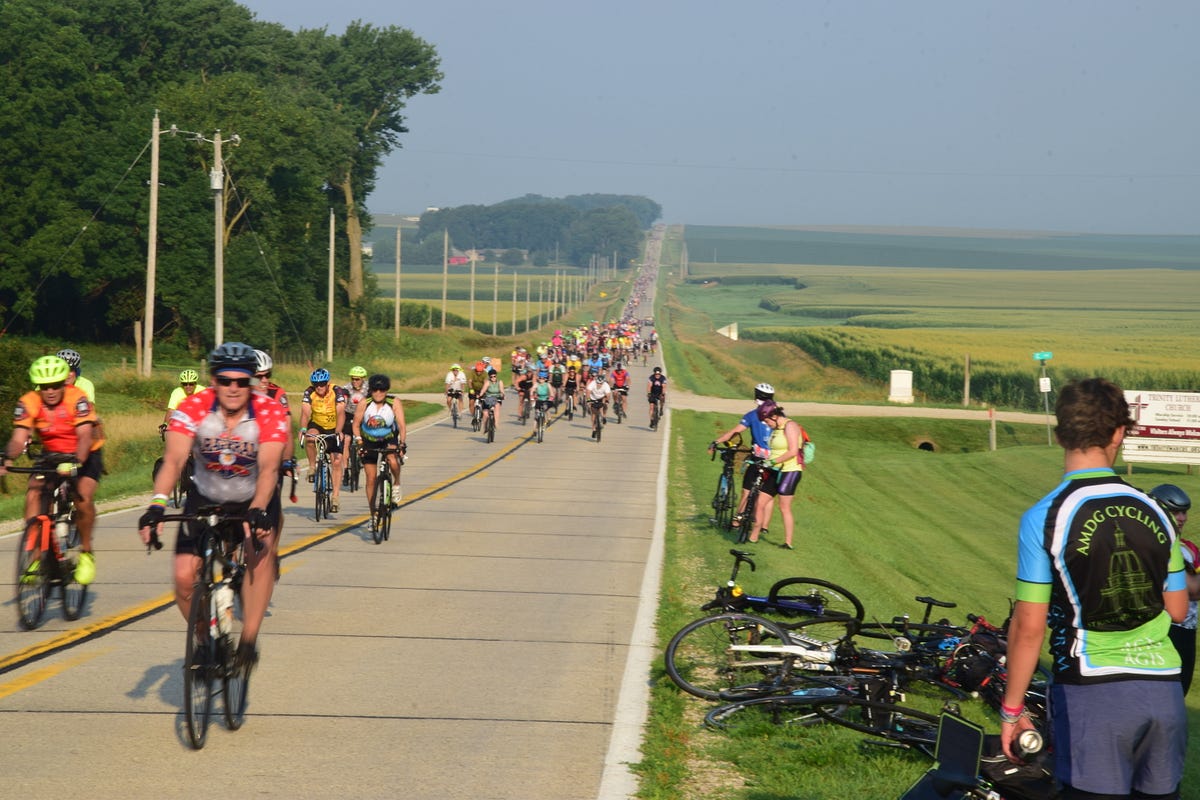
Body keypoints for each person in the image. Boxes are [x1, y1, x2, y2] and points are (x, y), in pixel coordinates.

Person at [999, 377, 1188, 800]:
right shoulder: (1156, 510)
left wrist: (1012, 711)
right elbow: (1176, 609)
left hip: (1092, 693)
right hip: (1163, 690)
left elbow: (1028, 627)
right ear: (1119, 432)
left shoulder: (1044, 517)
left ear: (1059, 432)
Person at [137, 342, 288, 667]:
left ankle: (248, 639)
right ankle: (205, 640)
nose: (233, 388)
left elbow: (269, 469)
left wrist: (259, 506)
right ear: (214, 380)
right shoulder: (193, 407)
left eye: (241, 381)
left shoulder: (269, 410)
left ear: (250, 381)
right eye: (225, 380)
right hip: (205, 496)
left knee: (259, 553)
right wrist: (157, 506)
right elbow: (174, 460)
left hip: (252, 497)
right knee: (182, 576)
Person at [1, 355, 103, 585]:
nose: (50, 391)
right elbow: (19, 438)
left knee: (83, 498)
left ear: (64, 383)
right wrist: (6, 457)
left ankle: (86, 552)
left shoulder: (77, 398)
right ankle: (35, 558)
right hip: (52, 454)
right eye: (44, 386)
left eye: (56, 385)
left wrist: (77, 461)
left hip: (85, 452)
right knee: (34, 493)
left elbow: (85, 436)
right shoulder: (28, 402)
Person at [708, 383, 776, 536]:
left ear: (756, 396)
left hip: (758, 457)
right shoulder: (779, 415)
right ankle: (764, 527)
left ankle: (736, 522)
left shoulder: (753, 415)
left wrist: (717, 441)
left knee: (747, 492)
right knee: (768, 495)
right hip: (775, 460)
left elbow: (735, 431)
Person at [1150, 484, 1198, 694]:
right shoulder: (1159, 545)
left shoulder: (1186, 547)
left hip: (1186, 632)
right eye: (1174, 512)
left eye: (1184, 511)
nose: (1182, 518)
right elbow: (1193, 590)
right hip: (1166, 633)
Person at [749, 400, 808, 549]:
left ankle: (788, 542)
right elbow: (775, 450)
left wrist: (773, 462)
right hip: (775, 469)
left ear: (774, 416)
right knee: (760, 502)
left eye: (767, 421)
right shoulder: (776, 429)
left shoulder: (790, 426)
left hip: (790, 470)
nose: (766, 424)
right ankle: (753, 536)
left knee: (784, 507)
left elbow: (793, 451)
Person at [352, 374, 406, 516]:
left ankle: (396, 484)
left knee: (392, 460)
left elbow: (401, 425)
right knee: (371, 478)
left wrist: (402, 443)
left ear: (386, 390)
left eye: (382, 390)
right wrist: (359, 441)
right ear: (370, 390)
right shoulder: (364, 403)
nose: (378, 393)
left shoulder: (394, 402)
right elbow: (356, 425)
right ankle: (373, 514)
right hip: (368, 439)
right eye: (375, 389)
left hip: (388, 437)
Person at [298, 368, 347, 513]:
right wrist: (302, 429)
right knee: (310, 438)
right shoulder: (309, 392)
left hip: (334, 426)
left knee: (336, 461)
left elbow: (341, 412)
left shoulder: (337, 391)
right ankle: (312, 467)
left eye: (322, 384)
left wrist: (338, 431)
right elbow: (306, 413)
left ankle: (335, 498)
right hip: (318, 424)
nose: (319, 387)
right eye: (316, 384)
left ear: (328, 383)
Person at [341, 366, 368, 480]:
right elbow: (342, 401)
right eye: (353, 379)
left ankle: (361, 454)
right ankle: (346, 469)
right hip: (349, 414)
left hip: (364, 414)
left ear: (363, 379)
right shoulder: (346, 388)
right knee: (346, 440)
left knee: (364, 436)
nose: (354, 381)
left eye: (357, 379)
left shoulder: (368, 388)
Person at [584, 370, 612, 437]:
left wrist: (607, 401)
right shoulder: (593, 383)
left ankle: (603, 417)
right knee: (593, 414)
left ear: (603, 382)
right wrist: (588, 400)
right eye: (597, 383)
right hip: (593, 398)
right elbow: (588, 392)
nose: (599, 385)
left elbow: (608, 394)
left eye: (600, 383)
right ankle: (593, 429)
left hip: (602, 398)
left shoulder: (606, 385)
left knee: (604, 405)